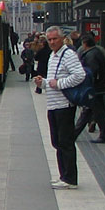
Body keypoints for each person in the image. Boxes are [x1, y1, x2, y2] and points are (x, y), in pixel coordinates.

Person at [34, 26, 86, 190]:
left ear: (62, 39)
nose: (51, 42)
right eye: (49, 39)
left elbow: (80, 75)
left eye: (54, 39)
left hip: (64, 105)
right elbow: (52, 80)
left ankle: (70, 178)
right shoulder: (53, 55)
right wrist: (42, 83)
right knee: (57, 142)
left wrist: (59, 83)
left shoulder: (68, 54)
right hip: (53, 104)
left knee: (65, 142)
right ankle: (63, 175)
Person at [73, 35, 105, 143]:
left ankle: (103, 135)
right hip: (98, 87)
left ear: (85, 44)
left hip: (94, 88)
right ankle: (74, 133)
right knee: (89, 111)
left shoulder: (91, 55)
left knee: (96, 111)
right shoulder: (97, 52)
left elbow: (91, 72)